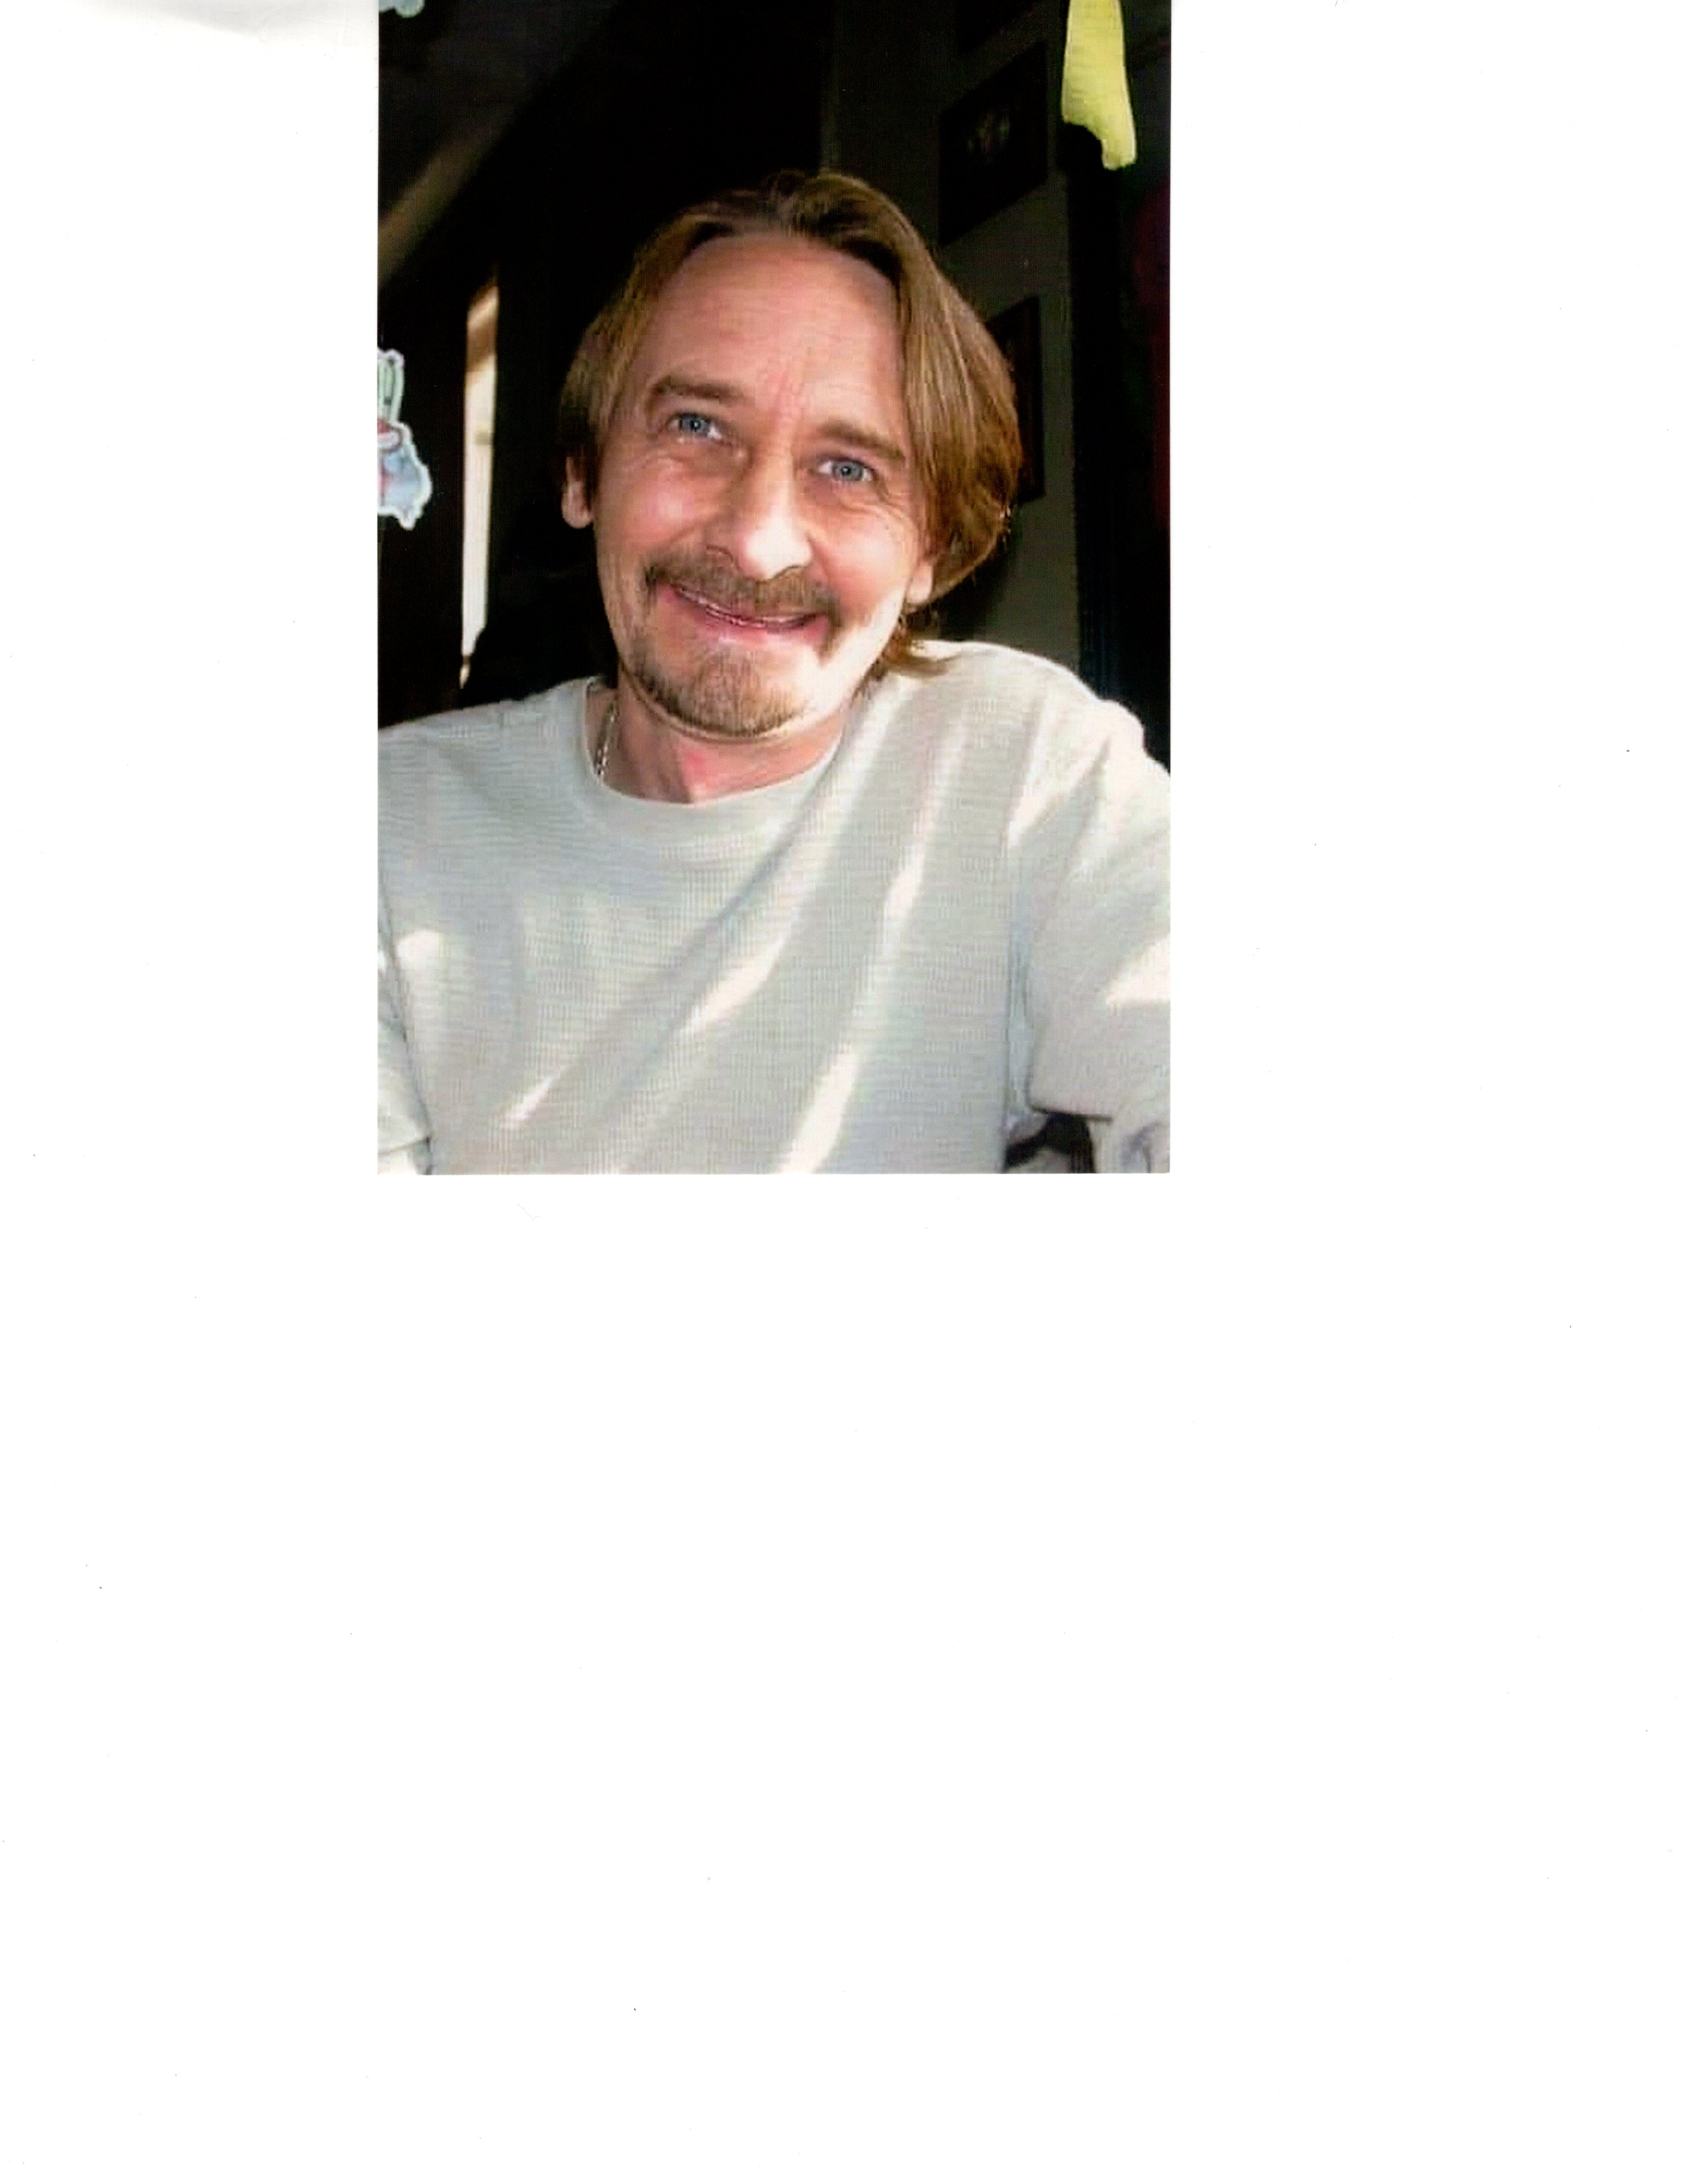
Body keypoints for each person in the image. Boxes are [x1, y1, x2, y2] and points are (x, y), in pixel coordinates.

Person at [379, 171, 1169, 1173]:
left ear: (928, 551)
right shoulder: (387, 827)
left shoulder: (1026, 769)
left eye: (849, 469)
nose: (757, 544)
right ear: (582, 473)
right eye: (696, 427)